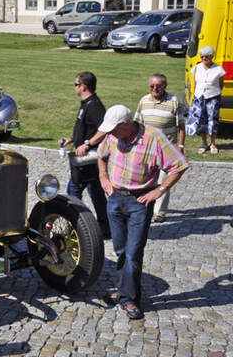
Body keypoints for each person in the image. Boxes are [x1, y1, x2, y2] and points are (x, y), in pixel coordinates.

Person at [97, 105, 189, 320]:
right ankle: (123, 291)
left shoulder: (153, 137)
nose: (110, 134)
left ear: (127, 124)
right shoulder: (112, 136)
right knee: (120, 250)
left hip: (140, 201)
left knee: (134, 252)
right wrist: (103, 178)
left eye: (114, 129)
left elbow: (180, 165)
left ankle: (129, 299)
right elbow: (101, 155)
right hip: (115, 198)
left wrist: (160, 189)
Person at [60, 71, 110, 237]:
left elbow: (104, 130)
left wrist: (87, 144)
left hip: (89, 159)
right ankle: (106, 228)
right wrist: (73, 139)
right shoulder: (86, 104)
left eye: (76, 84)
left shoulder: (94, 105)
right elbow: (89, 128)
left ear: (83, 86)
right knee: (96, 192)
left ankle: (75, 226)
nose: (74, 87)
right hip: (87, 157)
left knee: (73, 190)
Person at [133, 73, 187, 221]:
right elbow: (137, 124)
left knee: (164, 179)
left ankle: (160, 212)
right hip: (147, 149)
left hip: (166, 149)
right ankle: (144, 205)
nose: (155, 89)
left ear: (165, 86)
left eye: (159, 86)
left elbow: (181, 126)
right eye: (152, 86)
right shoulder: (144, 101)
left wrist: (181, 146)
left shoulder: (173, 101)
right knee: (146, 179)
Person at [186, 45, 226, 154]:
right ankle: (204, 143)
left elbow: (221, 84)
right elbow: (195, 83)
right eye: (202, 56)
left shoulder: (218, 69)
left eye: (206, 56)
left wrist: (215, 93)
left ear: (211, 56)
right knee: (201, 120)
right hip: (199, 97)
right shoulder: (197, 68)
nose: (204, 58)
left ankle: (213, 144)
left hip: (213, 97)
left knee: (213, 120)